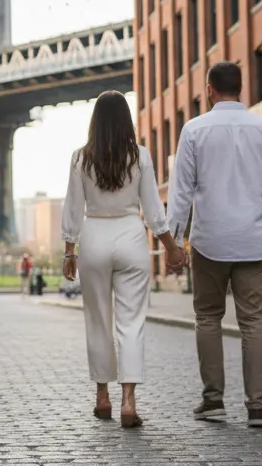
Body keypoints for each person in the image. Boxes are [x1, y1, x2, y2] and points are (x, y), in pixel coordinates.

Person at [166, 62, 262, 429]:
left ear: (209, 89)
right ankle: (257, 408)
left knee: (208, 318)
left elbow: (181, 193)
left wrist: (175, 242)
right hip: (254, 240)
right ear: (243, 86)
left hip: (209, 240)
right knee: (254, 322)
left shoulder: (194, 130)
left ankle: (213, 400)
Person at [61, 90, 186, 429]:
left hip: (94, 238)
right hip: (131, 237)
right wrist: (172, 247)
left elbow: (73, 207)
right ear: (126, 120)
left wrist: (69, 250)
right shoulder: (140, 156)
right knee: (131, 323)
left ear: (95, 122)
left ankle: (103, 396)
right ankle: (129, 402)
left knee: (98, 321)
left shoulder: (80, 157)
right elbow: (152, 209)